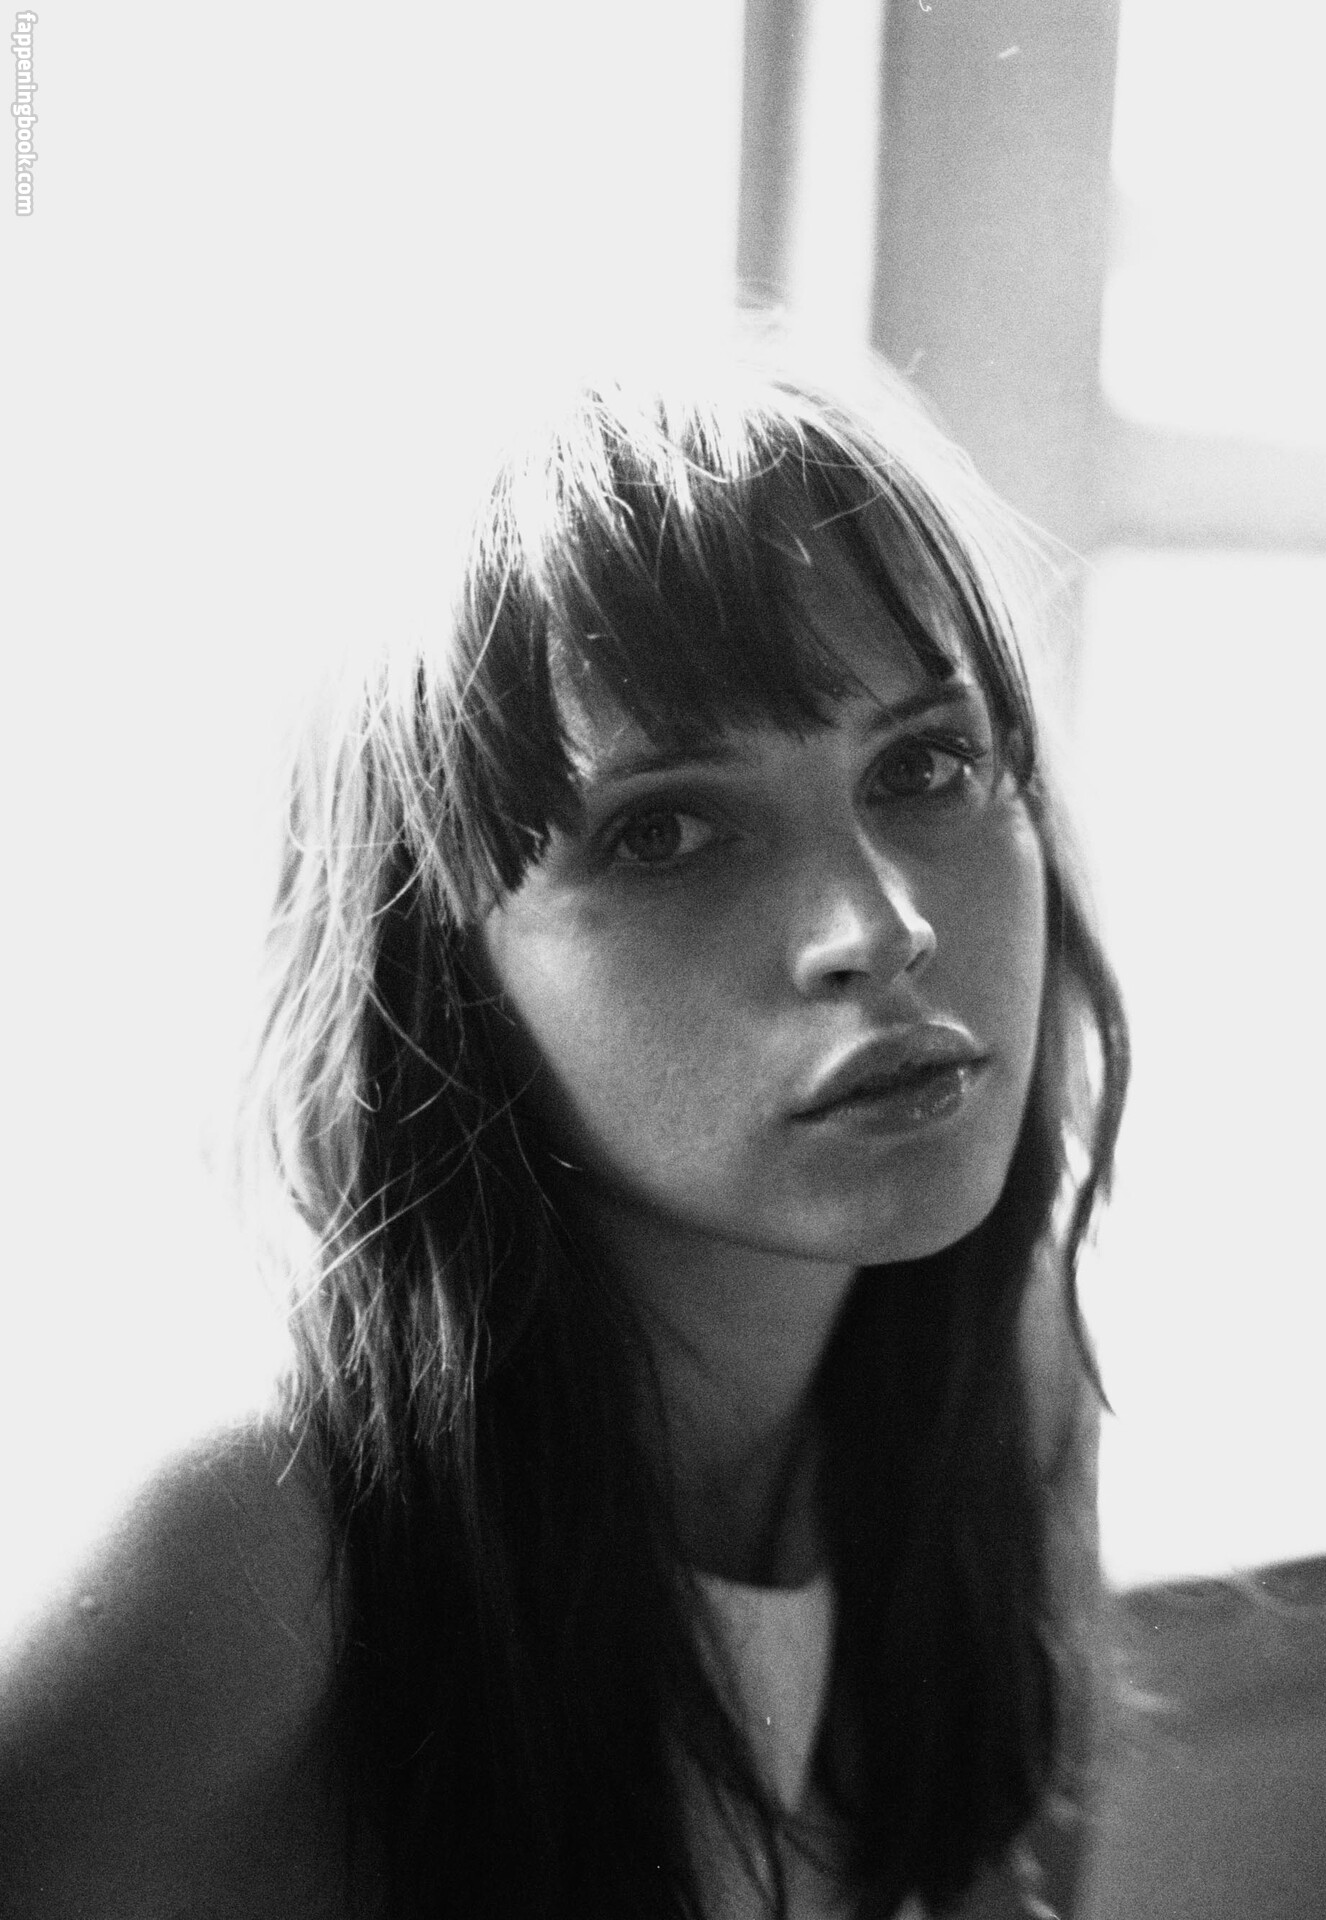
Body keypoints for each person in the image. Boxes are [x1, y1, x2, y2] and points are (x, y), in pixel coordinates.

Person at [0, 337, 1127, 1919]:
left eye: (926, 764)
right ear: (438, 972)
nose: (880, 928)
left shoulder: (1001, 1378)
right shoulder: (252, 1552)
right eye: (666, 831)